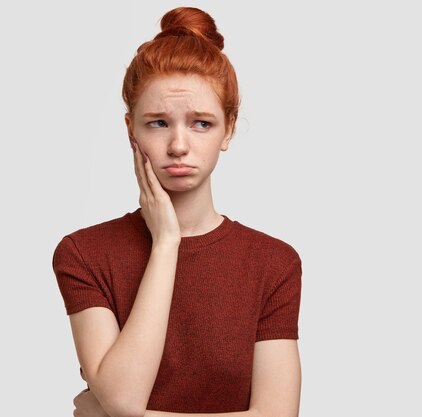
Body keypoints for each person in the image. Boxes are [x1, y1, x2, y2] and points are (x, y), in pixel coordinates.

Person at [52, 7, 302, 417]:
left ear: (229, 129)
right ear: (130, 129)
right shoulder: (84, 254)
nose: (179, 145)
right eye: (158, 123)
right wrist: (166, 242)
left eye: (201, 123)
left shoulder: (274, 263)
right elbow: (124, 398)